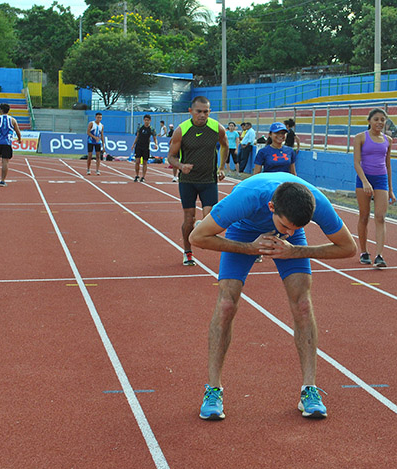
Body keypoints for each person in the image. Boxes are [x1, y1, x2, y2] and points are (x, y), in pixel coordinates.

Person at [189, 173, 357, 420]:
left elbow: (349, 248)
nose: (288, 232)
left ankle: (309, 389)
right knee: (226, 303)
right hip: (244, 231)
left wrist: (294, 249)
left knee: (302, 303)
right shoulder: (246, 198)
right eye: (286, 226)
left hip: (292, 244)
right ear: (271, 207)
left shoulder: (316, 203)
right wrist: (251, 248)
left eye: (297, 227)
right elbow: (197, 237)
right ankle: (213, 390)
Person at [167, 96, 229, 266]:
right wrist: (181, 166)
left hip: (208, 180)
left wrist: (221, 167)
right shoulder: (182, 130)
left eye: (206, 112)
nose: (202, 115)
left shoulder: (217, 128)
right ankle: (187, 252)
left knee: (210, 218)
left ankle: (201, 231)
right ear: (191, 111)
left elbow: (225, 146)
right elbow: (171, 157)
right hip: (188, 181)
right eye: (199, 111)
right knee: (189, 219)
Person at [353, 108, 396, 268]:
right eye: (376, 119)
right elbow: (356, 162)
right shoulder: (360, 137)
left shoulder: (388, 140)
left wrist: (390, 190)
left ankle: (379, 255)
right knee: (364, 216)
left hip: (381, 180)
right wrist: (365, 182)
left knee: (380, 217)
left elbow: (388, 165)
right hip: (364, 179)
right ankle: (364, 252)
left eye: (382, 120)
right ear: (369, 121)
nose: (380, 122)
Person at [132, 114, 158, 182]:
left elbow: (155, 138)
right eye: (145, 120)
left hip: (146, 147)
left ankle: (143, 177)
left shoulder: (152, 129)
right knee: (137, 161)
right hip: (139, 146)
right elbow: (137, 136)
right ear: (143, 120)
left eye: (148, 120)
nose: (146, 121)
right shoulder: (140, 127)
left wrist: (156, 144)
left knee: (145, 162)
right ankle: (137, 175)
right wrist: (133, 144)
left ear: (150, 121)